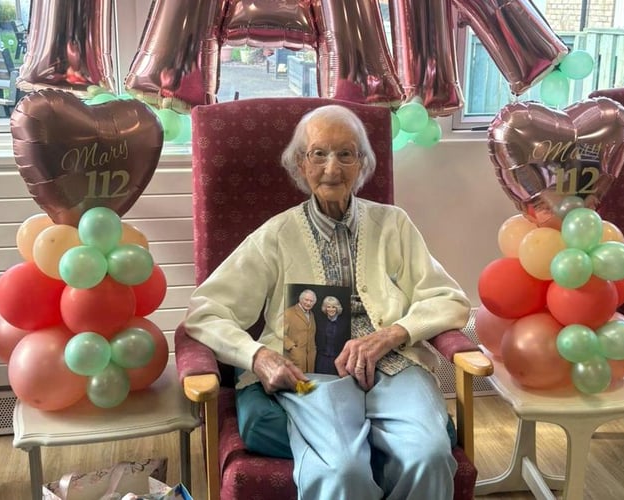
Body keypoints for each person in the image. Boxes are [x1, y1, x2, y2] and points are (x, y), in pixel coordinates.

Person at [184, 104, 471, 499]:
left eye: (345, 154)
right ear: (300, 164)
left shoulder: (393, 224)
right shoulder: (276, 235)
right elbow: (205, 311)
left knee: (428, 454)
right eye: (318, 153)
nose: (331, 168)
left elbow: (448, 299)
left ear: (363, 165)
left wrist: (390, 335)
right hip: (310, 375)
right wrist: (257, 357)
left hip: (394, 365)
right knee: (340, 470)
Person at [283, 288, 317, 372]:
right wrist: (292, 347)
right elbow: (279, 333)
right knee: (295, 382)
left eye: (311, 301)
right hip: (294, 356)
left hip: (309, 358)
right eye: (306, 300)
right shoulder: (288, 313)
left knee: (307, 382)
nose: (308, 303)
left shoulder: (311, 314)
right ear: (300, 299)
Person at [315, 295, 347, 375]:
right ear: (325, 308)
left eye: (333, 307)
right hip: (322, 359)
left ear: (337, 308)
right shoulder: (319, 322)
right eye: (328, 307)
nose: (331, 309)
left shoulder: (345, 323)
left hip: (337, 359)